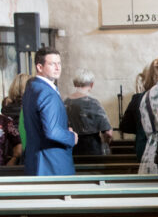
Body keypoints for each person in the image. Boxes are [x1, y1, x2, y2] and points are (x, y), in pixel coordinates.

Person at [21, 47, 77, 176]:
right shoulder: (47, 93)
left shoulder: (32, 88)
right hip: (52, 164)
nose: (58, 68)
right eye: (52, 64)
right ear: (39, 67)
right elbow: (52, 132)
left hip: (36, 161)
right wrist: (71, 137)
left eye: (59, 63)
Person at [63, 69, 113, 155]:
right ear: (92, 84)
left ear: (74, 84)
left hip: (71, 150)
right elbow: (108, 133)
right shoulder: (93, 103)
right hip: (92, 149)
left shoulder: (65, 103)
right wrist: (107, 142)